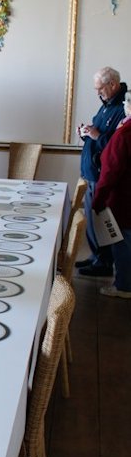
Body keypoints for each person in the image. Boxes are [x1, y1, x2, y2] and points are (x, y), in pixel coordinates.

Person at [76, 66, 127, 277]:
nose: (98, 93)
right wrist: (86, 133)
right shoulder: (105, 106)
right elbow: (98, 133)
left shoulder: (122, 108)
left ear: (113, 85)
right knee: (92, 219)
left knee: (102, 220)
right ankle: (96, 256)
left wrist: (97, 136)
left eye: (100, 88)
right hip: (91, 173)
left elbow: (116, 145)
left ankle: (103, 263)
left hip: (101, 175)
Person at [91, 91, 131, 298]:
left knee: (123, 244)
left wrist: (98, 201)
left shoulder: (125, 133)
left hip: (124, 199)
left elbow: (110, 171)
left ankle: (124, 286)